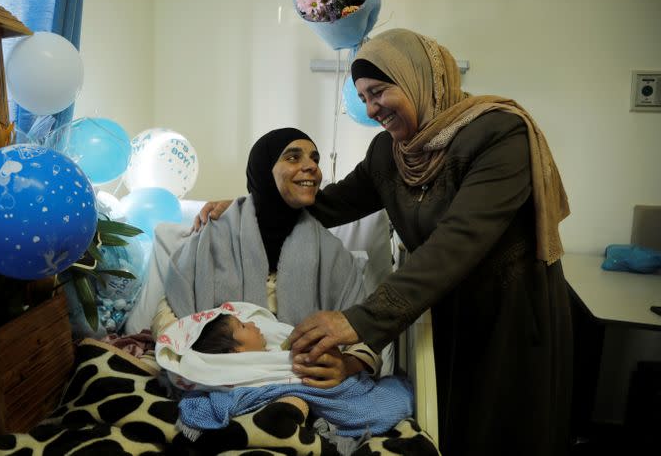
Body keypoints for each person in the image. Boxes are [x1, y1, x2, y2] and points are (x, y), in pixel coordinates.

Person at [196, 28, 573, 456]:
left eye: (379, 92)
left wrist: (358, 320)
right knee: (453, 427)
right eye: (364, 98)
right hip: (440, 309)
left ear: (418, 80)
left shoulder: (501, 136)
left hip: (510, 310)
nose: (373, 108)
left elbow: (458, 241)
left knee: (506, 429)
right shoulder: (390, 154)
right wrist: (250, 205)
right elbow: (326, 205)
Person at [145, 128, 382, 388]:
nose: (311, 166)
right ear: (263, 170)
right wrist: (191, 361)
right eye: (293, 157)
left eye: (315, 159)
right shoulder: (212, 236)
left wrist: (347, 366)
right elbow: (170, 309)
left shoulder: (334, 255)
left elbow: (364, 334)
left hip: (301, 383)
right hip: (215, 379)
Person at [155, 301, 414, 440]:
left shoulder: (279, 348)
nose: (254, 324)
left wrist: (348, 364)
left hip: (344, 381)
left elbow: (357, 347)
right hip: (313, 404)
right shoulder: (242, 377)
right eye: (243, 326)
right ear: (234, 354)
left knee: (381, 393)